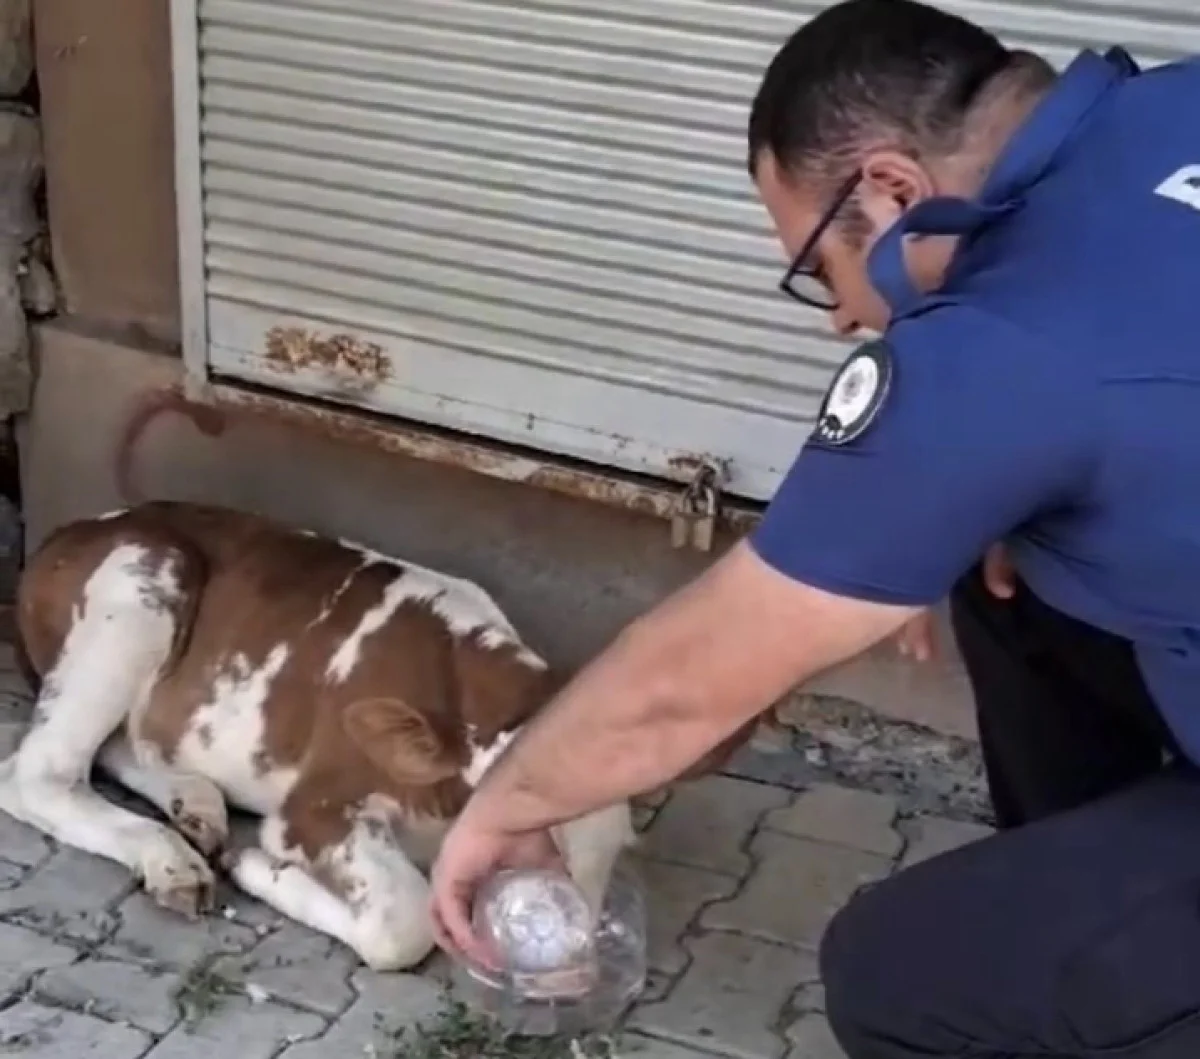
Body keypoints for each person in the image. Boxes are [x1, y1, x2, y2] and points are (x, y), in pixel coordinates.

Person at [429, 1, 1200, 1055]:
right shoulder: (1175, 104)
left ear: (892, 191)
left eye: (818, 272)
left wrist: (506, 807)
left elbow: (689, 682)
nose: (840, 316)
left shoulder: (1007, 344)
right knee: (999, 563)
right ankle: (1092, 924)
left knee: (898, 972)